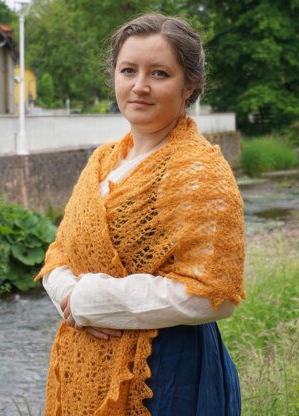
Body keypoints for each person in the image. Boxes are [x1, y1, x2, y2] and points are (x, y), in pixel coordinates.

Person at [36, 12, 246, 416]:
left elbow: (214, 295)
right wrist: (70, 296)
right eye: (128, 70)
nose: (140, 86)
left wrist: (97, 299)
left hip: (166, 376)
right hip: (83, 362)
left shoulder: (198, 169)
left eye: (160, 73)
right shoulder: (102, 161)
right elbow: (59, 252)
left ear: (190, 86)